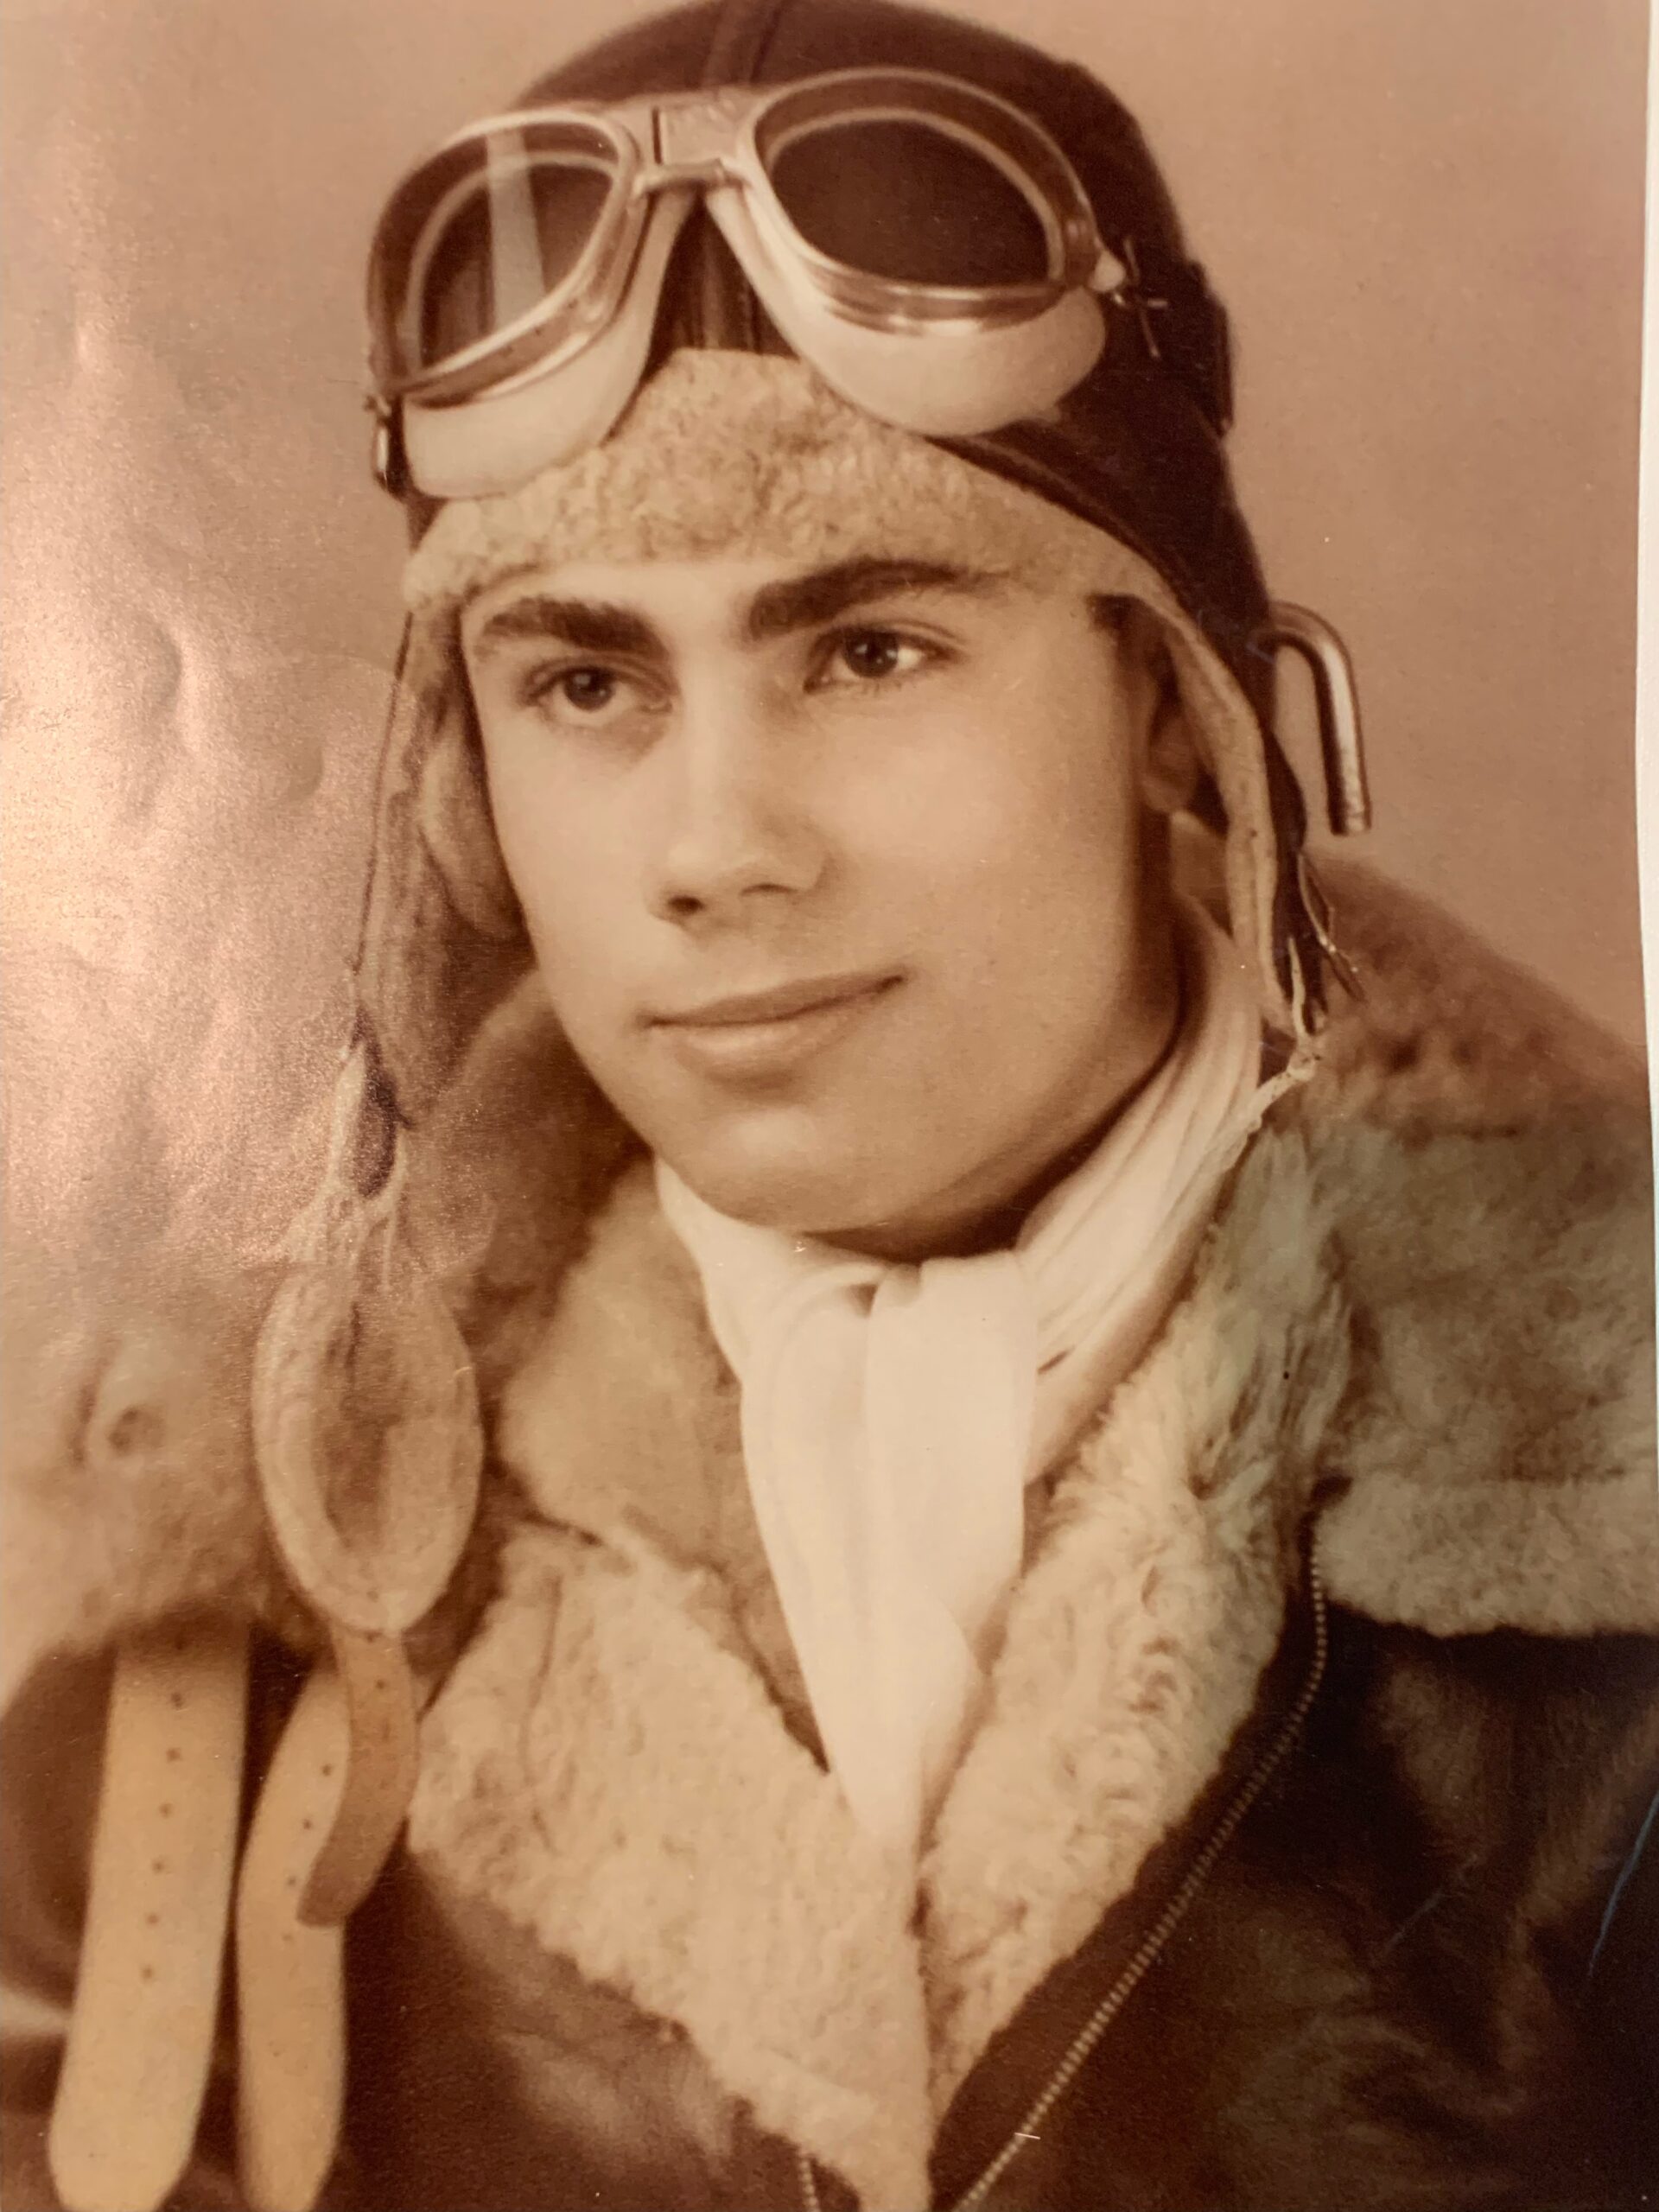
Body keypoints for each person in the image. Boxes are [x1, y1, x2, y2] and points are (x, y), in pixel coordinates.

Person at [5, 0, 1657, 2207]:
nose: (717, 846)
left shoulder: (1612, 1550)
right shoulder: (228, 1635)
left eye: (869, 650)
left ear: (1182, 714)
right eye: (584, 678)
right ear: (465, 804)